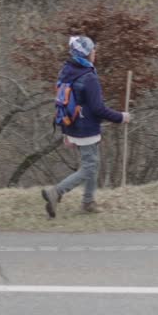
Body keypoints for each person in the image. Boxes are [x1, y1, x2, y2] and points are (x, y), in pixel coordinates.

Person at [41, 35, 130, 218]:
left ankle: (88, 202)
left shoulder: (67, 70)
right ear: (86, 54)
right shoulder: (89, 78)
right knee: (89, 167)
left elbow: (62, 103)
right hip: (85, 129)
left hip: (72, 125)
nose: (95, 53)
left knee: (92, 164)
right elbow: (98, 109)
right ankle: (56, 192)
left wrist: (66, 132)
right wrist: (121, 117)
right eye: (92, 50)